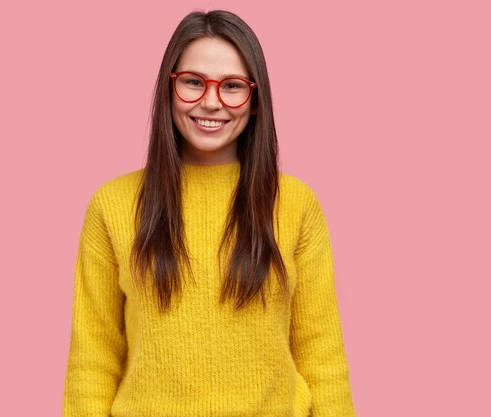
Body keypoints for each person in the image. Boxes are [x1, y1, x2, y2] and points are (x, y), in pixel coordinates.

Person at [61, 9, 356, 417]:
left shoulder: (296, 204)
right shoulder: (112, 206)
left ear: (255, 101)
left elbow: (321, 355)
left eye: (232, 86)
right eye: (193, 82)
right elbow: (92, 361)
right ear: (169, 89)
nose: (211, 102)